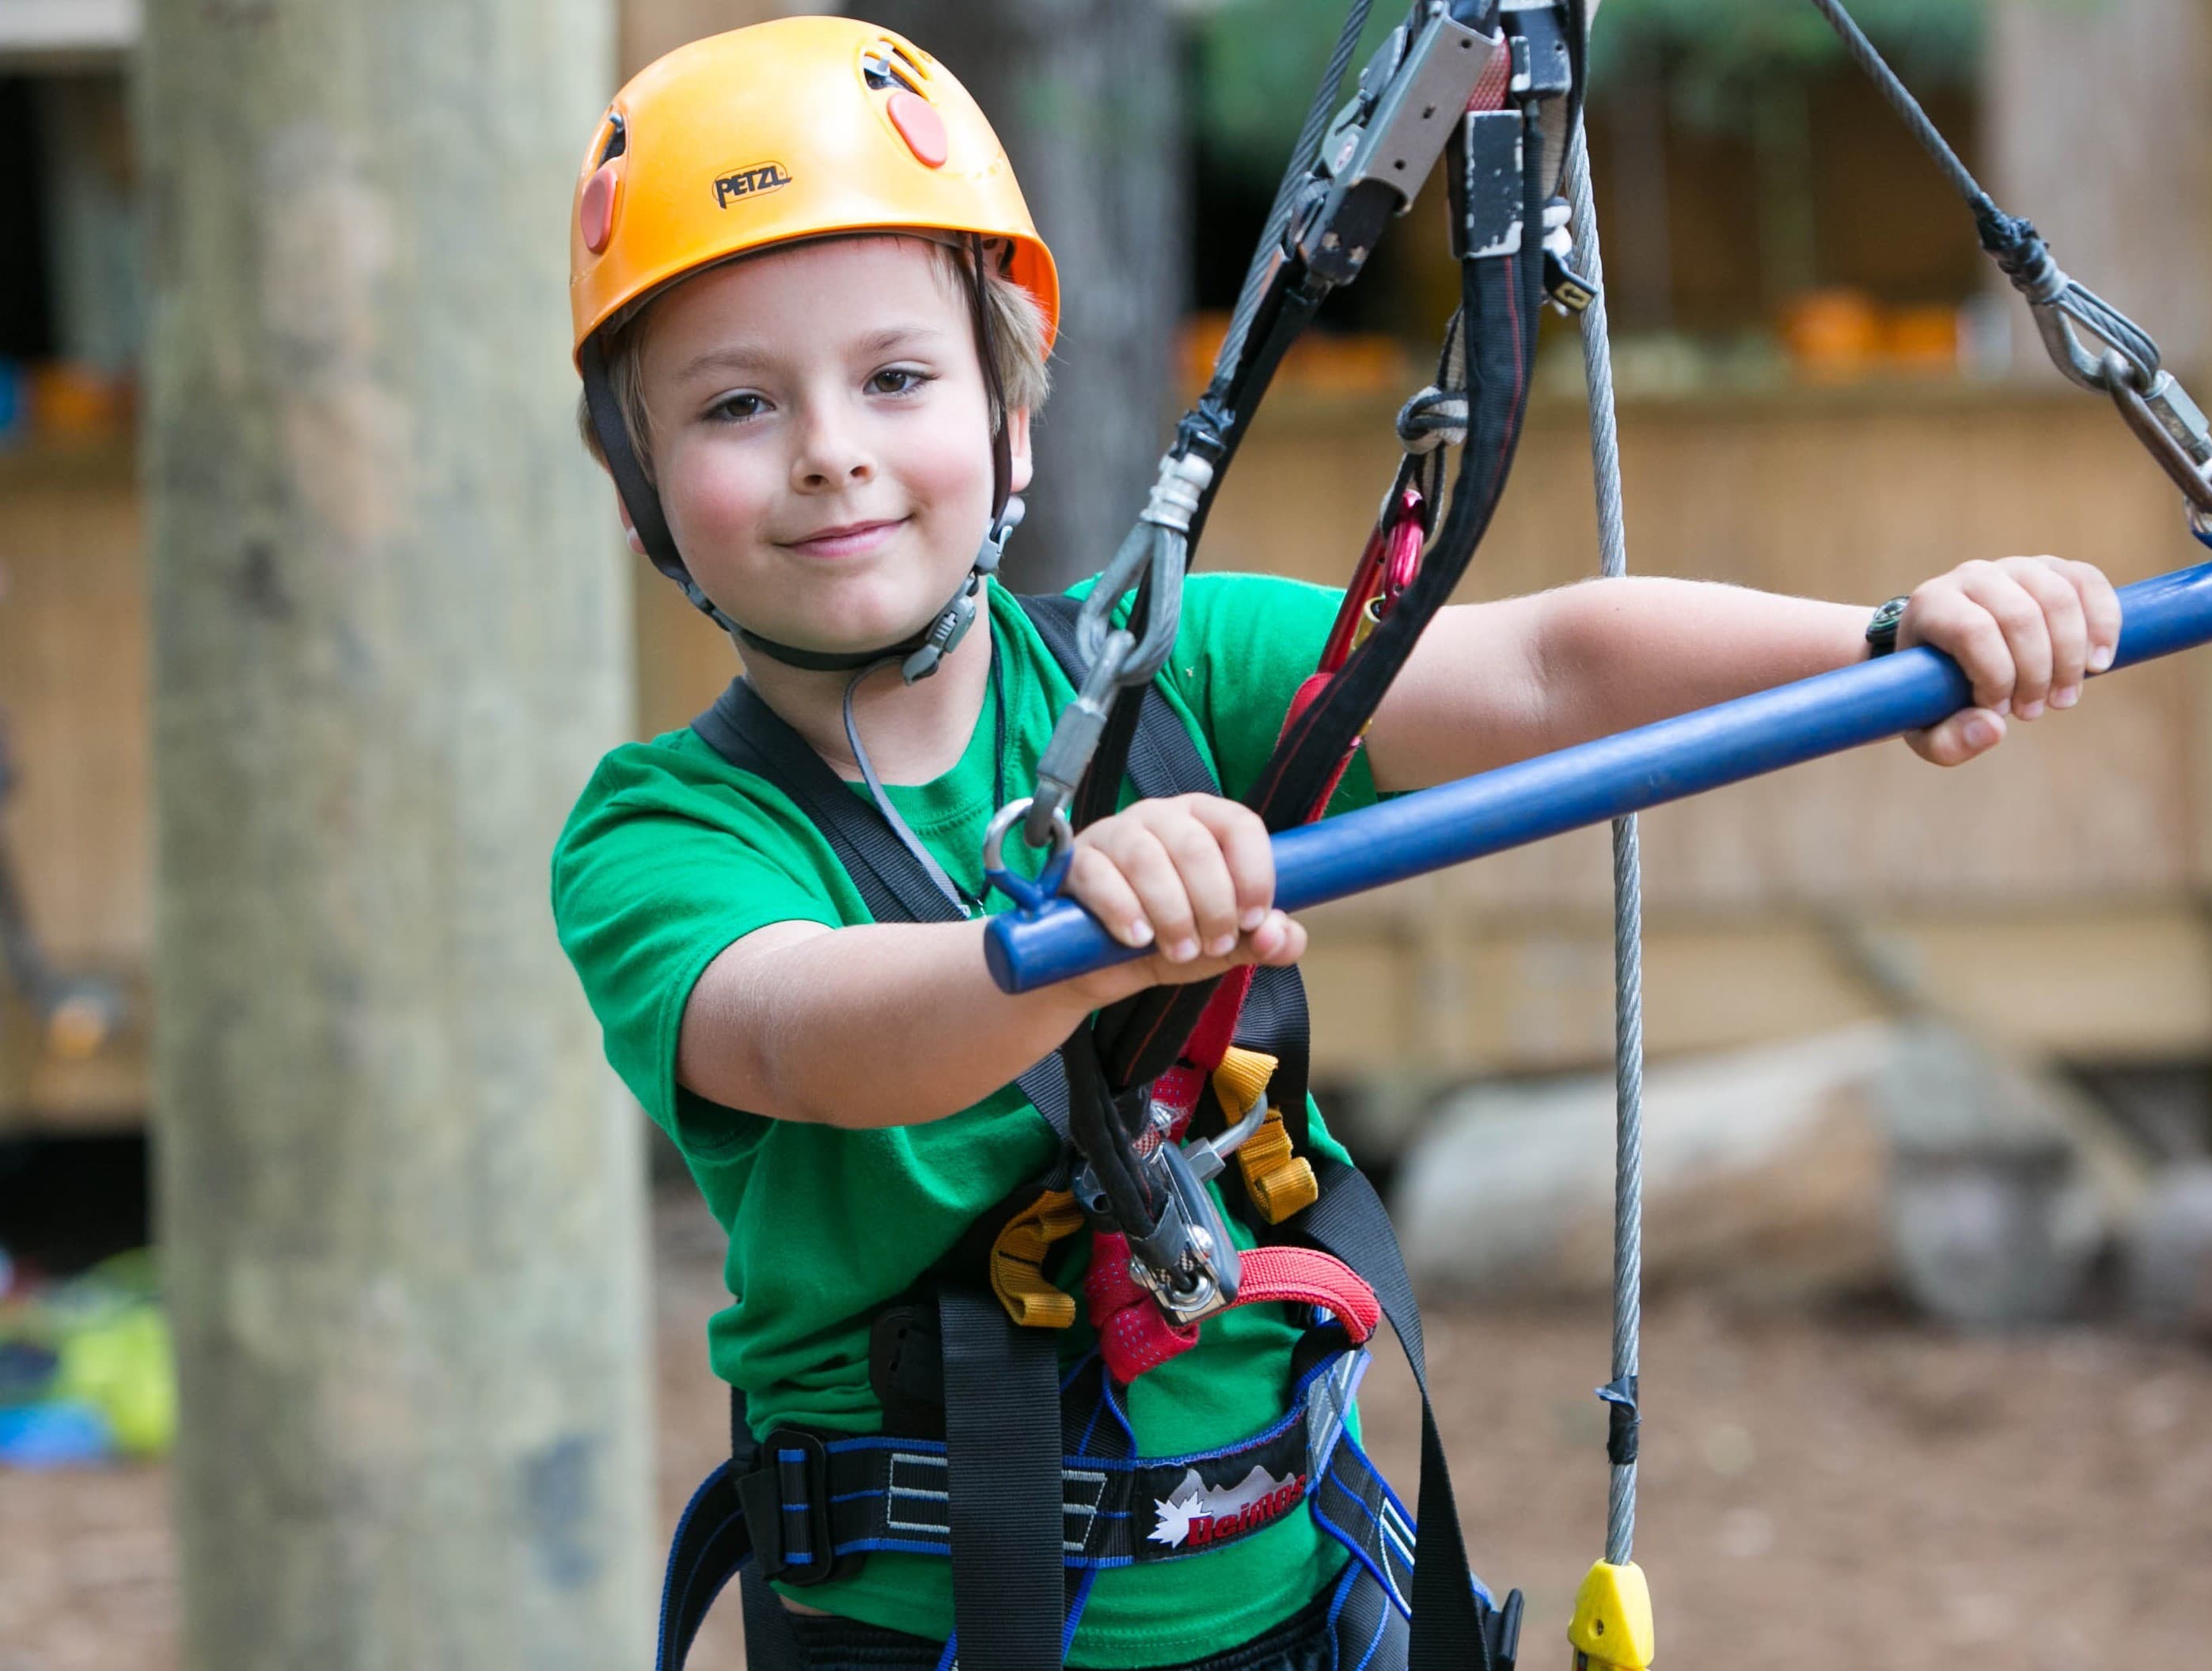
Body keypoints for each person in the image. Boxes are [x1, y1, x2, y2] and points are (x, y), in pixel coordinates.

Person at [551, 18, 2122, 1670]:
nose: (830, 447)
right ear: (642, 492)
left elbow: (1545, 663)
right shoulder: (663, 831)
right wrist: (1074, 944)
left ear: (1010, 419)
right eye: (738, 404)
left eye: (895, 377)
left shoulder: (1168, 670)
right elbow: (806, 1033)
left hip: (1306, 1609)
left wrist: (1880, 646)